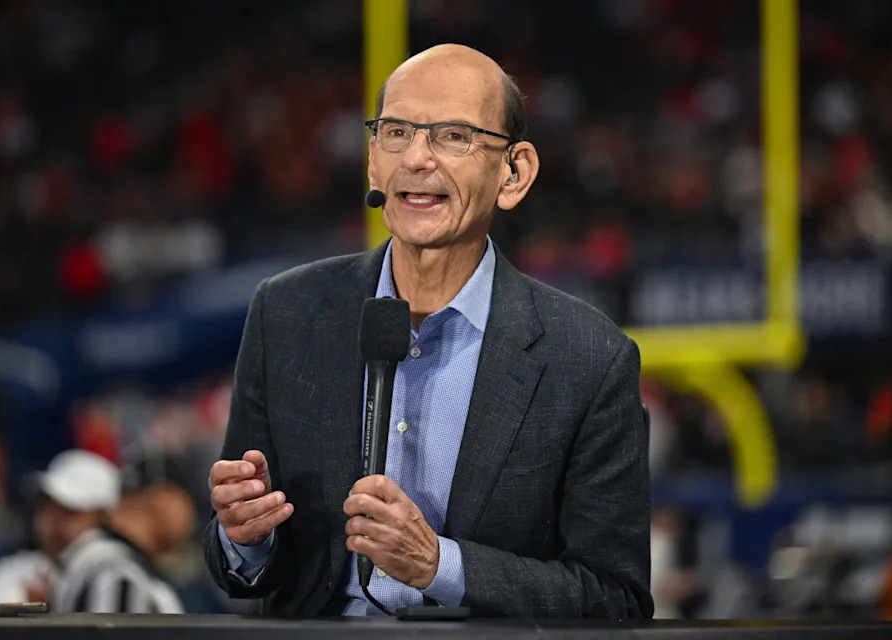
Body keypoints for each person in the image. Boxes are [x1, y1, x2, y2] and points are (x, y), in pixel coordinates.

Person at [203, 44, 651, 618]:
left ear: (514, 173)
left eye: (453, 135)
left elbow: (616, 600)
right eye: (395, 132)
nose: (416, 158)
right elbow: (238, 567)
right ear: (372, 160)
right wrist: (244, 536)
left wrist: (441, 566)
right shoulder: (285, 312)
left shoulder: (590, 358)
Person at [32, 449, 184, 613]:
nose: (53, 524)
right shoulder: (60, 570)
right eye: (47, 509)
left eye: (70, 512)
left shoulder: (113, 574)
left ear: (102, 517)